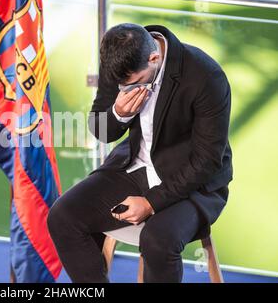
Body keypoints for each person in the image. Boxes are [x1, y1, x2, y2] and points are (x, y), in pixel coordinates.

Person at [47, 23, 233, 283]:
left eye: (132, 83)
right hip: (136, 166)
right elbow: (101, 129)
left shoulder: (206, 76)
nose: (123, 89)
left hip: (194, 181)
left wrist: (150, 203)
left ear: (154, 58)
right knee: (62, 217)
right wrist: (118, 114)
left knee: (157, 240)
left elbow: (206, 162)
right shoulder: (120, 60)